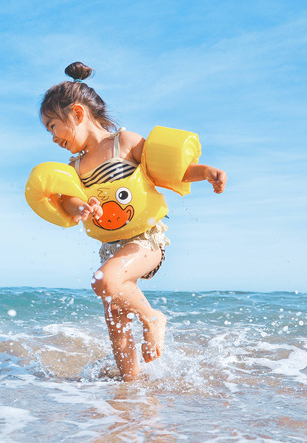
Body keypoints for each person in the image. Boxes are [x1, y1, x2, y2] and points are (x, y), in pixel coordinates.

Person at [39, 62, 227, 381]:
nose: (53, 137)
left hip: (146, 240)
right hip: (110, 248)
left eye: (53, 126)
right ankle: (130, 391)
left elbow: (169, 170)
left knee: (104, 282)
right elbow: (69, 199)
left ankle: (153, 319)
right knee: (115, 321)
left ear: (77, 113)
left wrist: (205, 171)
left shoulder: (123, 143)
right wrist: (82, 207)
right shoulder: (75, 166)